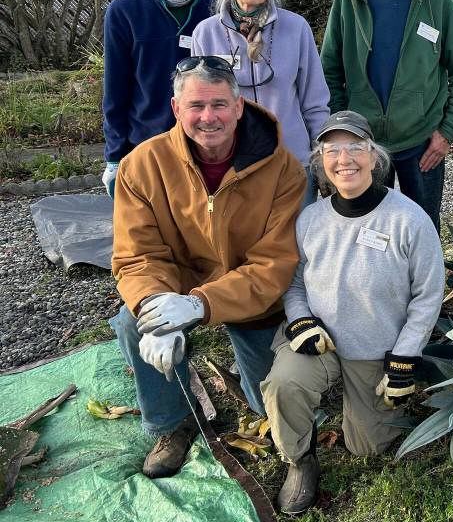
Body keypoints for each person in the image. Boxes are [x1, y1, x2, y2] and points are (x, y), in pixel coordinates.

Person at [109, 57, 306, 479]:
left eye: (219, 104)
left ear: (238, 107)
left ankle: (254, 392)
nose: (208, 117)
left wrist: (200, 305)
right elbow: (137, 254)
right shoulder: (141, 166)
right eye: (196, 106)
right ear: (176, 110)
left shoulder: (283, 169)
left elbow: (274, 264)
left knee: (264, 403)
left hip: (249, 295)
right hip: (175, 283)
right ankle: (173, 422)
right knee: (132, 322)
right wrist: (155, 302)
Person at [261, 110, 445, 514]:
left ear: (374, 157)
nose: (344, 159)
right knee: (284, 385)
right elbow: (293, 284)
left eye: (355, 147)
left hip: (374, 349)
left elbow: (429, 294)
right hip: (320, 340)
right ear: (321, 162)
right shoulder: (310, 220)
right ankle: (299, 458)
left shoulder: (409, 219)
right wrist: (301, 320)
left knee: (367, 447)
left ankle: (355, 409)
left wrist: (406, 355)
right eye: (332, 150)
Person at [320, 0, 453, 232]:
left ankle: (423, 286)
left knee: (423, 231)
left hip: (423, 144)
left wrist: (447, 133)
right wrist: (343, 130)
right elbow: (330, 69)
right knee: (368, 232)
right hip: (366, 143)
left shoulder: (438, 1)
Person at [191, 0, 329, 202]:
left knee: (294, 243)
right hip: (232, 169)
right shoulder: (205, 34)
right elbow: (197, 106)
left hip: (292, 166)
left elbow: (315, 102)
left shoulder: (296, 28)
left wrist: (321, 155)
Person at [101, 0, 215, 196]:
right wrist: (115, 157)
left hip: (207, 151)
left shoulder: (216, 9)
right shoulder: (124, 12)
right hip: (147, 150)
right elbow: (115, 91)